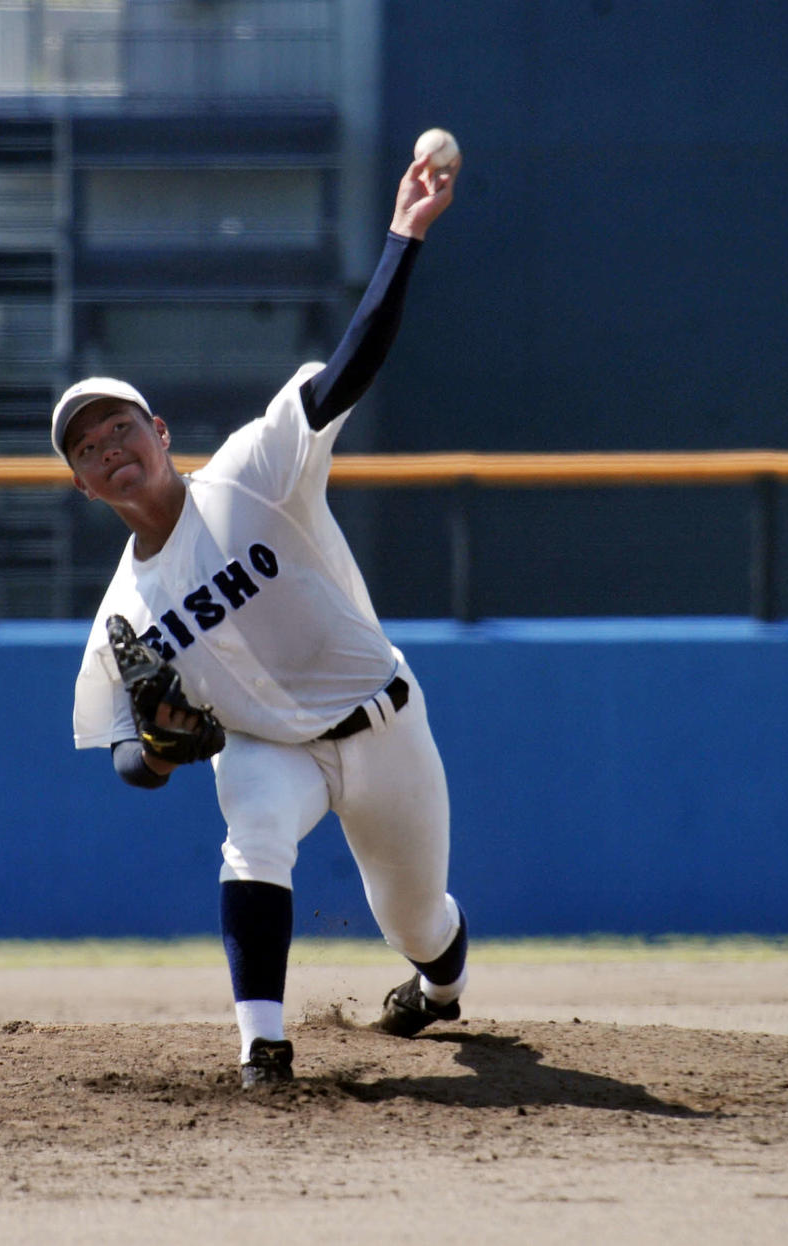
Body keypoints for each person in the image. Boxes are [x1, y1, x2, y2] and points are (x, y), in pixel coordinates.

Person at [54, 149, 469, 1087]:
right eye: (87, 447)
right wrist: (157, 751)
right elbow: (128, 755)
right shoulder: (124, 613)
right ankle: (262, 1048)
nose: (109, 445)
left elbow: (353, 363)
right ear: (83, 487)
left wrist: (405, 235)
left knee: (417, 919)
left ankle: (440, 987)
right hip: (268, 747)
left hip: (382, 716)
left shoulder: (253, 470)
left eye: (121, 425)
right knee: (251, 837)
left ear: (159, 435)